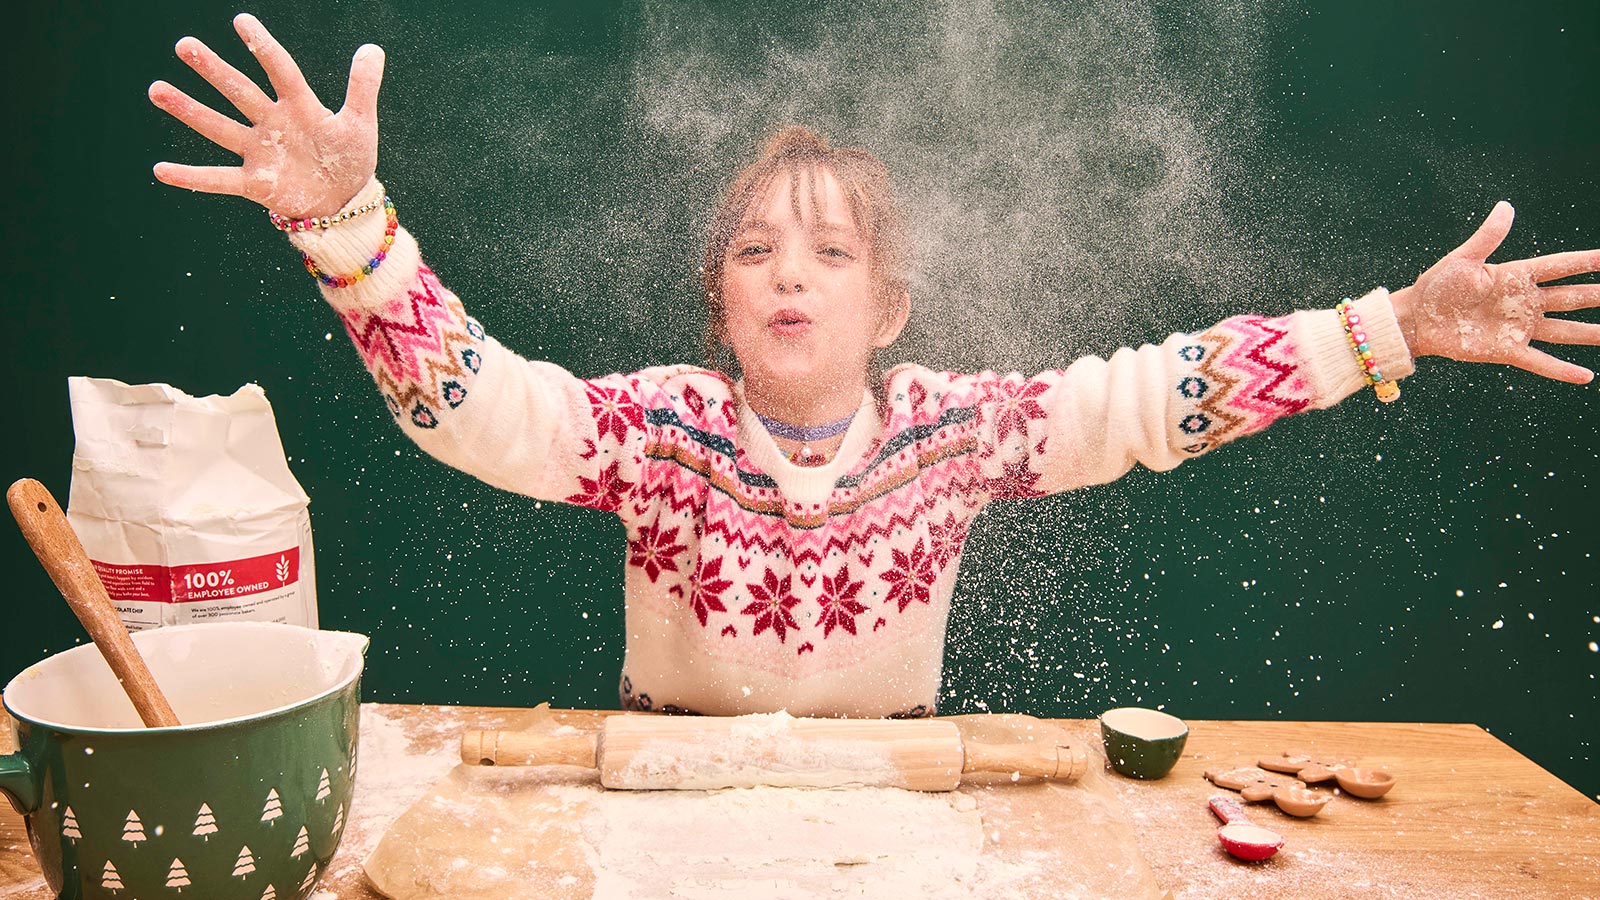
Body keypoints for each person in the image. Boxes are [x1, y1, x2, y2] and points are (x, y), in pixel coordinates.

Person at [149, 14, 1600, 718]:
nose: (793, 273)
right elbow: (472, 403)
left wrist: (1392, 326)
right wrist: (345, 219)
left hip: (899, 822)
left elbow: (1160, 392)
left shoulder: (960, 434)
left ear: (890, 305)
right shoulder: (653, 430)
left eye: (832, 255)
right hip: (664, 823)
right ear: (715, 304)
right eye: (759, 254)